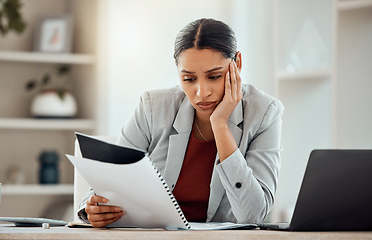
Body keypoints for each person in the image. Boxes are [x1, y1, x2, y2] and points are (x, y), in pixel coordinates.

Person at [78, 18, 284, 228]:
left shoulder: (265, 113)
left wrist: (220, 125)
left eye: (214, 76)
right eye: (189, 79)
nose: (202, 93)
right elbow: (104, 186)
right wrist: (92, 209)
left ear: (237, 64)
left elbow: (253, 215)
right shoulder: (152, 108)